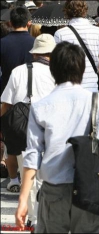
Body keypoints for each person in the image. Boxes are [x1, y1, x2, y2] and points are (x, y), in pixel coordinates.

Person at [15, 41, 99, 233]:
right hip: (89, 186)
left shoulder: (40, 107)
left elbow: (32, 155)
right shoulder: (98, 101)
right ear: (81, 69)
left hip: (54, 188)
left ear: (53, 70)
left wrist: (23, 199)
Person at [1, 34, 56, 230]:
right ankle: (46, 215)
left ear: (35, 53)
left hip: (23, 128)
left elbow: (6, 104)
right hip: (49, 127)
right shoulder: (56, 72)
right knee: (47, 175)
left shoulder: (18, 71)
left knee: (28, 175)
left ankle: (34, 218)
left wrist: (3, 130)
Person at [0, 6, 34, 193]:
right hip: (34, 96)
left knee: (11, 143)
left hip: (7, 96)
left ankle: (14, 179)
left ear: (10, 23)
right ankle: (31, 178)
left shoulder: (2, 43)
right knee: (33, 142)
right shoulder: (36, 42)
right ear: (29, 22)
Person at [54, 0, 99, 93]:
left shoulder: (60, 34)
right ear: (85, 10)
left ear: (66, 11)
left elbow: (57, 64)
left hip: (69, 88)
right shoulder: (98, 31)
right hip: (92, 87)